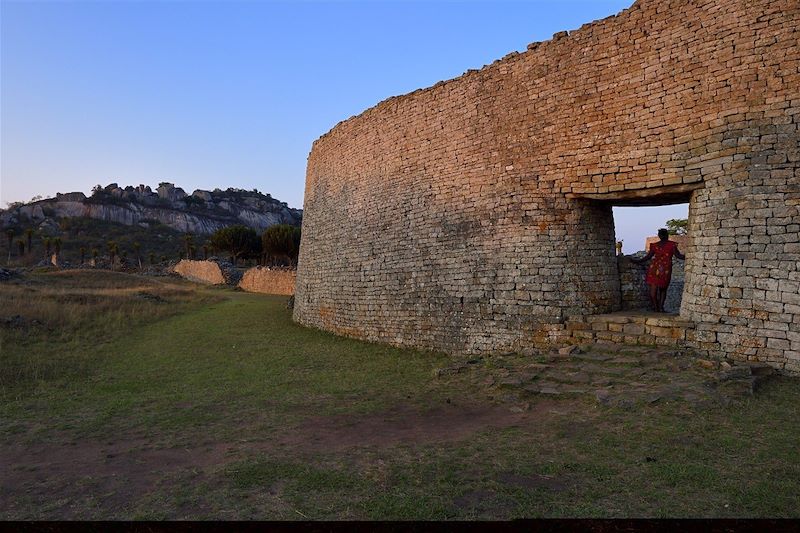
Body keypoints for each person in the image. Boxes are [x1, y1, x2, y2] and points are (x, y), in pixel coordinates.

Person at [631, 228, 685, 313]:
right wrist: (689, 256)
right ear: (667, 235)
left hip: (655, 268)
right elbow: (678, 256)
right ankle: (660, 308)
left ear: (659, 236)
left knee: (654, 290)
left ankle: (656, 308)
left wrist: (637, 261)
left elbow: (648, 257)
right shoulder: (672, 245)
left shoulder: (655, 245)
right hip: (666, 269)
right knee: (663, 290)